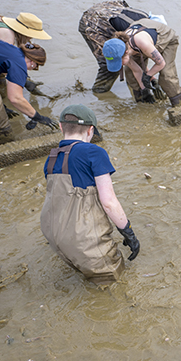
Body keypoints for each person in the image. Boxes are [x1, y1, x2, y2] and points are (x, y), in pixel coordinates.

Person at [39, 104, 140, 284]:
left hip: (54, 237)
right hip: (84, 240)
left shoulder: (51, 158)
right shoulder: (94, 152)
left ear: (61, 127)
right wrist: (128, 232)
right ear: (90, 129)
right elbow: (109, 202)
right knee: (115, 285)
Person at [105, 17, 181, 107]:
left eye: (120, 62)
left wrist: (148, 76)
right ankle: (142, 103)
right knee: (130, 73)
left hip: (165, 38)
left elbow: (161, 63)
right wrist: (144, 89)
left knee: (167, 74)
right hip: (138, 39)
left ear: (126, 53)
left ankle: (177, 106)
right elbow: (136, 71)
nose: (120, 64)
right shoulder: (119, 48)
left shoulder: (143, 43)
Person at [77, 1, 149, 93]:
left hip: (108, 9)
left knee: (126, 55)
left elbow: (139, 54)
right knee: (111, 60)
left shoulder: (146, 24)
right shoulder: (138, 34)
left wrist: (148, 74)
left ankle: (135, 87)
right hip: (92, 23)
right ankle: (100, 92)